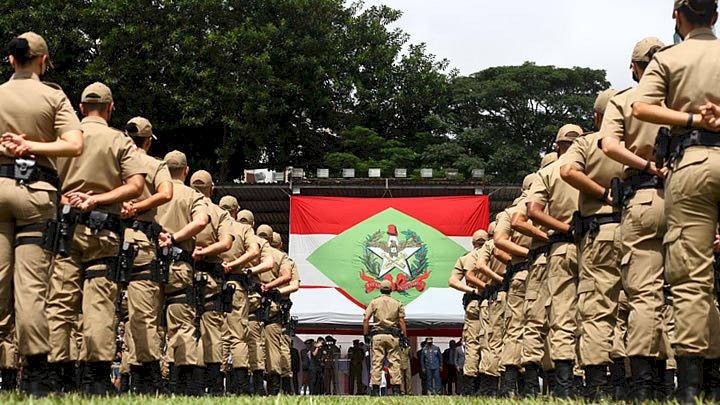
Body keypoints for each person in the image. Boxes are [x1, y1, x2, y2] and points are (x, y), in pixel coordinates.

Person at [631, 1, 720, 401]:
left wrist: (693, 120)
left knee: (690, 278)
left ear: (678, 16)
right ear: (715, 16)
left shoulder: (669, 59)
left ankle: (692, 390)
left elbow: (641, 107)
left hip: (694, 163)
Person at [49, 81, 146, 395]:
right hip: (103, 232)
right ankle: (96, 379)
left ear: (79, 107)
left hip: (63, 230)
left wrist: (66, 199)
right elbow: (135, 186)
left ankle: (55, 376)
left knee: (60, 304)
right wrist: (99, 199)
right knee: (99, 306)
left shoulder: (64, 137)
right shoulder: (119, 140)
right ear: (110, 107)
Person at [0, 31, 83, 396]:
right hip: (36, 193)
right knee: (30, 287)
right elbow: (74, 144)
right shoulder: (53, 96)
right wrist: (30, 145)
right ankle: (35, 375)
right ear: (43, 60)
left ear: (10, 59)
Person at [600, 37, 675, 401]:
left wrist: (645, 164)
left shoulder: (624, 100)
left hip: (645, 197)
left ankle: (646, 385)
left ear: (634, 67)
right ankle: (697, 379)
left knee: (644, 295)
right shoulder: (684, 98)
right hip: (689, 197)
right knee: (692, 291)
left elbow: (610, 146)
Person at [121, 116, 173, 394]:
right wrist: (141, 206)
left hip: (108, 234)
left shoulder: (113, 159)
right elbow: (166, 193)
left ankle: (89, 375)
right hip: (140, 242)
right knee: (144, 314)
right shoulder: (154, 164)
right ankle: (148, 380)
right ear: (149, 140)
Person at [155, 151, 209, 395]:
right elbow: (200, 222)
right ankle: (182, 386)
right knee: (182, 326)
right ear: (186, 171)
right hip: (178, 265)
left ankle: (147, 381)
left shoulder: (153, 191)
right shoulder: (192, 196)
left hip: (150, 264)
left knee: (148, 323)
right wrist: (175, 238)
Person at [218, 195, 259, 394]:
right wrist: (234, 264)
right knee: (237, 337)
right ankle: (242, 386)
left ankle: (214, 382)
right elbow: (254, 251)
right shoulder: (243, 229)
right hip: (235, 283)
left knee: (214, 334)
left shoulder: (211, 221)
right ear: (237, 209)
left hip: (211, 282)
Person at [447, 229, 496, 394]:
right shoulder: (494, 253)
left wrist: (472, 290)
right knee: (490, 341)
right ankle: (488, 383)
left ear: (473, 242)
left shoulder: (465, 258)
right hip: (492, 299)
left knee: (472, 344)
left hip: (474, 302)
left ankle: (469, 386)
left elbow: (453, 281)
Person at [363, 279, 407, 396]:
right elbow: (402, 321)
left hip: (378, 335)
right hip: (393, 336)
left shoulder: (374, 302)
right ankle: (396, 390)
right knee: (394, 362)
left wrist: (366, 334)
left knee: (377, 362)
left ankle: (375, 389)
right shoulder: (397, 303)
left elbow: (366, 319)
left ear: (380, 289)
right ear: (391, 290)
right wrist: (404, 336)